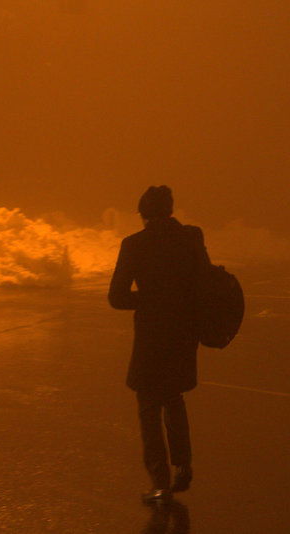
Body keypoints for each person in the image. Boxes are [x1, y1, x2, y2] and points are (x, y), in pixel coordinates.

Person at [108, 185, 209, 504]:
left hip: (151, 337)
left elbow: (118, 296)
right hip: (184, 334)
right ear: (170, 210)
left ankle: (160, 482)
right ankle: (184, 465)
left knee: (149, 407)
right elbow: (204, 281)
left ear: (144, 215)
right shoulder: (191, 238)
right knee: (174, 399)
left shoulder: (134, 245)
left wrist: (149, 299)